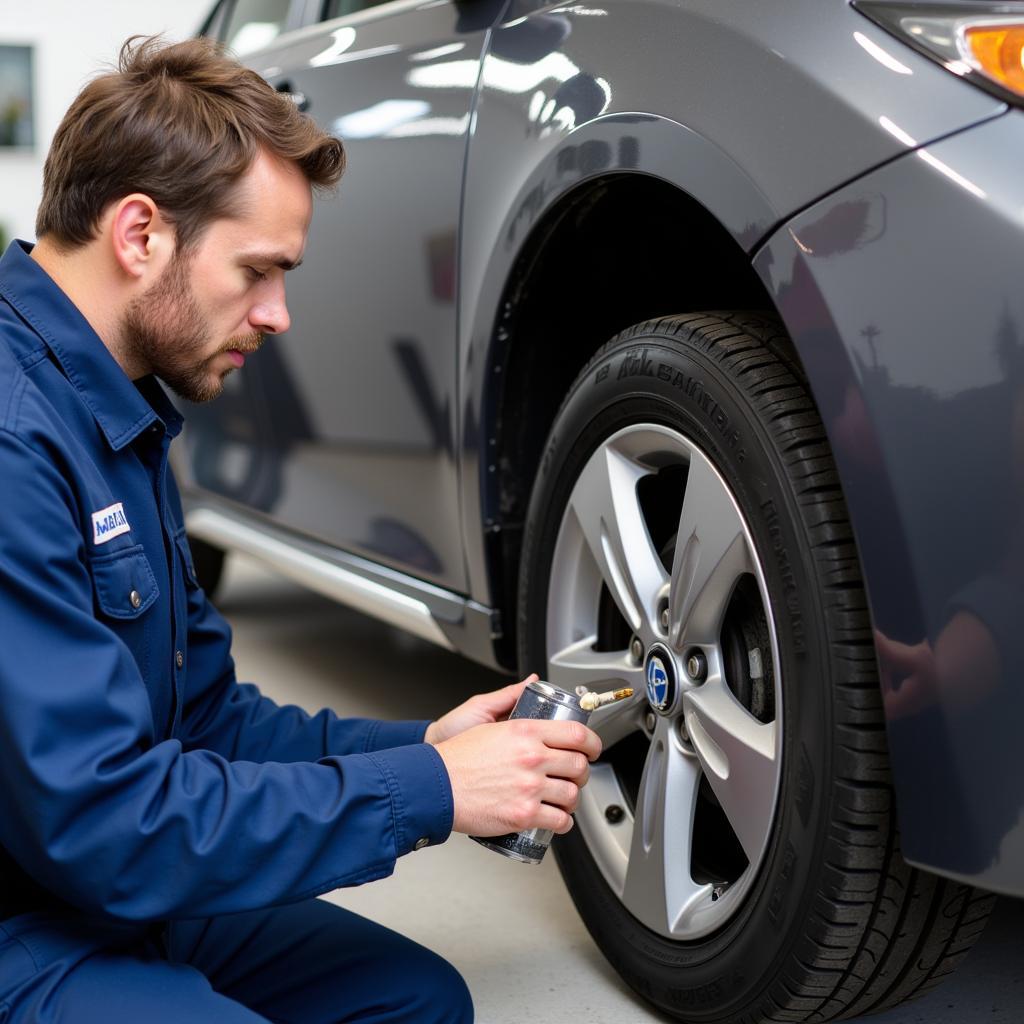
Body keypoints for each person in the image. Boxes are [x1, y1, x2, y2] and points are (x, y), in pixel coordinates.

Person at [0, 35, 601, 1023]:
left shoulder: (120, 409)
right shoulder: (17, 438)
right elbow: (103, 824)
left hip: (97, 877)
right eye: (258, 270)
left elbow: (207, 723)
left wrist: (427, 743)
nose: (279, 315)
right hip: (32, 910)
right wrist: (427, 790)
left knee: (417, 1002)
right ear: (140, 234)